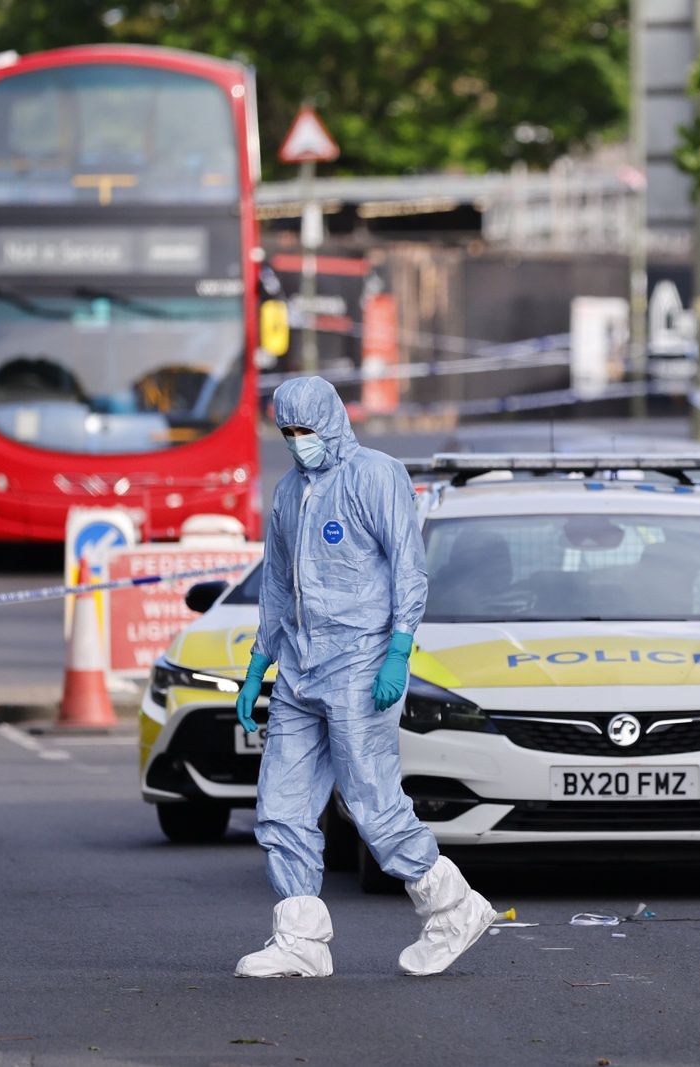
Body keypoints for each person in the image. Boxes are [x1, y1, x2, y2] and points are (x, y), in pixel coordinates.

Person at [231, 376, 495, 978]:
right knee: (281, 806)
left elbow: (409, 567)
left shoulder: (374, 475)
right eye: (287, 432)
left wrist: (399, 649)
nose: (298, 442)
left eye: (306, 430)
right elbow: (276, 585)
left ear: (332, 421)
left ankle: (453, 907)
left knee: (371, 802)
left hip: (358, 660)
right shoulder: (288, 493)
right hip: (299, 668)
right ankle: (300, 939)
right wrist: (256, 666)